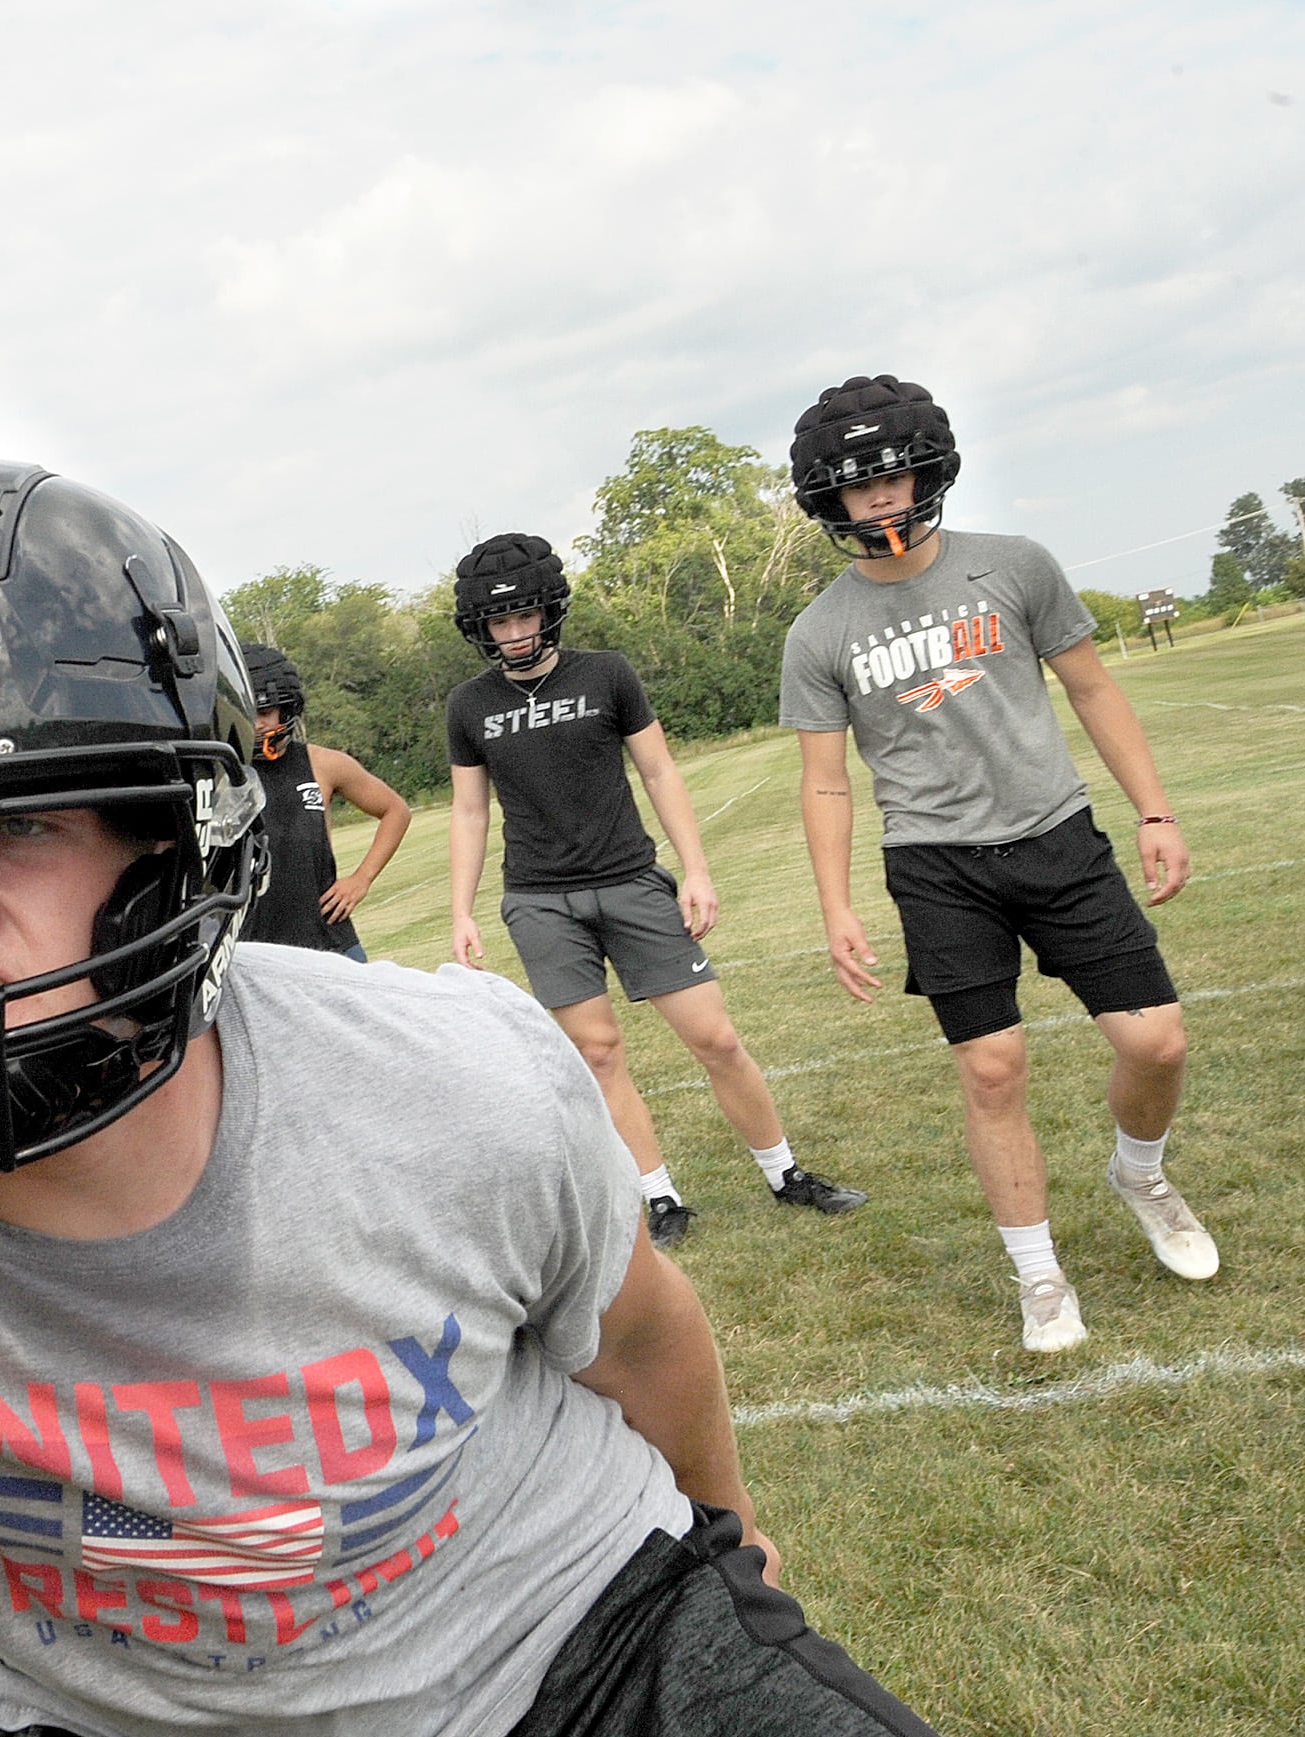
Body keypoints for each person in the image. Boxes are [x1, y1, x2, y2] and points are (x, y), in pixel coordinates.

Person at [0, 462, 1167, 1737]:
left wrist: (723, 1534)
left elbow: (643, 1333)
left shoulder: (449, 1081)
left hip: (583, 1661)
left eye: (28, 826)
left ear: (167, 834)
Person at [780, 375, 1211, 1353]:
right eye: (858, 485)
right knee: (992, 1067)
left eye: (895, 474)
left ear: (928, 469)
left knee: (1157, 1043)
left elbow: (1095, 692)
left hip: (1058, 835)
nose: (881, 497)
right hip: (935, 864)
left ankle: (1140, 1172)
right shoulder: (819, 633)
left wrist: (1154, 809)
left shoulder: (1015, 565)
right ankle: (1041, 1276)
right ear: (831, 501)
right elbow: (825, 783)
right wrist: (836, 905)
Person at [444, 532, 865, 1247]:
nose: (514, 634)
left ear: (551, 611)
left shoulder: (607, 673)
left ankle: (785, 1173)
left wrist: (695, 870)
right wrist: (461, 909)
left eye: (524, 617)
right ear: (479, 627)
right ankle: (659, 1196)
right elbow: (469, 810)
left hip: (632, 882)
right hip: (541, 901)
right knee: (600, 1054)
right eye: (498, 622)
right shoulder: (468, 705)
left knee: (717, 1039)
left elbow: (662, 772)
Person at [240, 644, 411, 959]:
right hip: (252, 952)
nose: (257, 725)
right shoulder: (217, 774)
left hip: (330, 940)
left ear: (287, 708)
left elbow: (395, 810)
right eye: (247, 713)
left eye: (264, 712)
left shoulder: (323, 764)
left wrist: (361, 879)